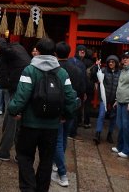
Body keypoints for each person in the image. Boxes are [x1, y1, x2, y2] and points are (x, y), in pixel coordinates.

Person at [8, 38, 77, 192]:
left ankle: (28, 187)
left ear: (37, 52)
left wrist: (13, 111)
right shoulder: (62, 72)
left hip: (29, 125)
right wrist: (66, 115)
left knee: (25, 157)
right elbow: (71, 99)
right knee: (46, 160)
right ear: (54, 53)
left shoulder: (30, 70)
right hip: (52, 126)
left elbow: (21, 97)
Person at [0, 38, 31, 162]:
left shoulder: (8, 50)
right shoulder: (19, 49)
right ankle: (20, 154)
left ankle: (4, 152)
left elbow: (4, 67)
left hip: (17, 88)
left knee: (10, 121)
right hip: (23, 87)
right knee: (18, 124)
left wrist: (1, 46)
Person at [52, 41, 84, 187]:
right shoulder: (76, 69)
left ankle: (62, 173)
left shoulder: (55, 70)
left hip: (58, 109)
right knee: (64, 138)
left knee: (58, 141)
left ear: (55, 54)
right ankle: (57, 163)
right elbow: (82, 89)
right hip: (72, 108)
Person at [91, 55, 121, 145]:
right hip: (104, 97)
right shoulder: (104, 71)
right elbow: (94, 76)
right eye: (109, 62)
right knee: (101, 115)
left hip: (115, 98)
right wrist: (96, 66)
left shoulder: (120, 73)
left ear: (116, 63)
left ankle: (110, 134)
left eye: (113, 62)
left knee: (113, 117)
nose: (111, 63)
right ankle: (98, 134)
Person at [73, 45, 94, 129]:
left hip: (87, 87)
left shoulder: (89, 62)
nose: (82, 52)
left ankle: (86, 121)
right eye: (81, 50)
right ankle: (78, 121)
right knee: (78, 104)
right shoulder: (74, 61)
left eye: (83, 51)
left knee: (86, 106)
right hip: (78, 86)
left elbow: (94, 75)